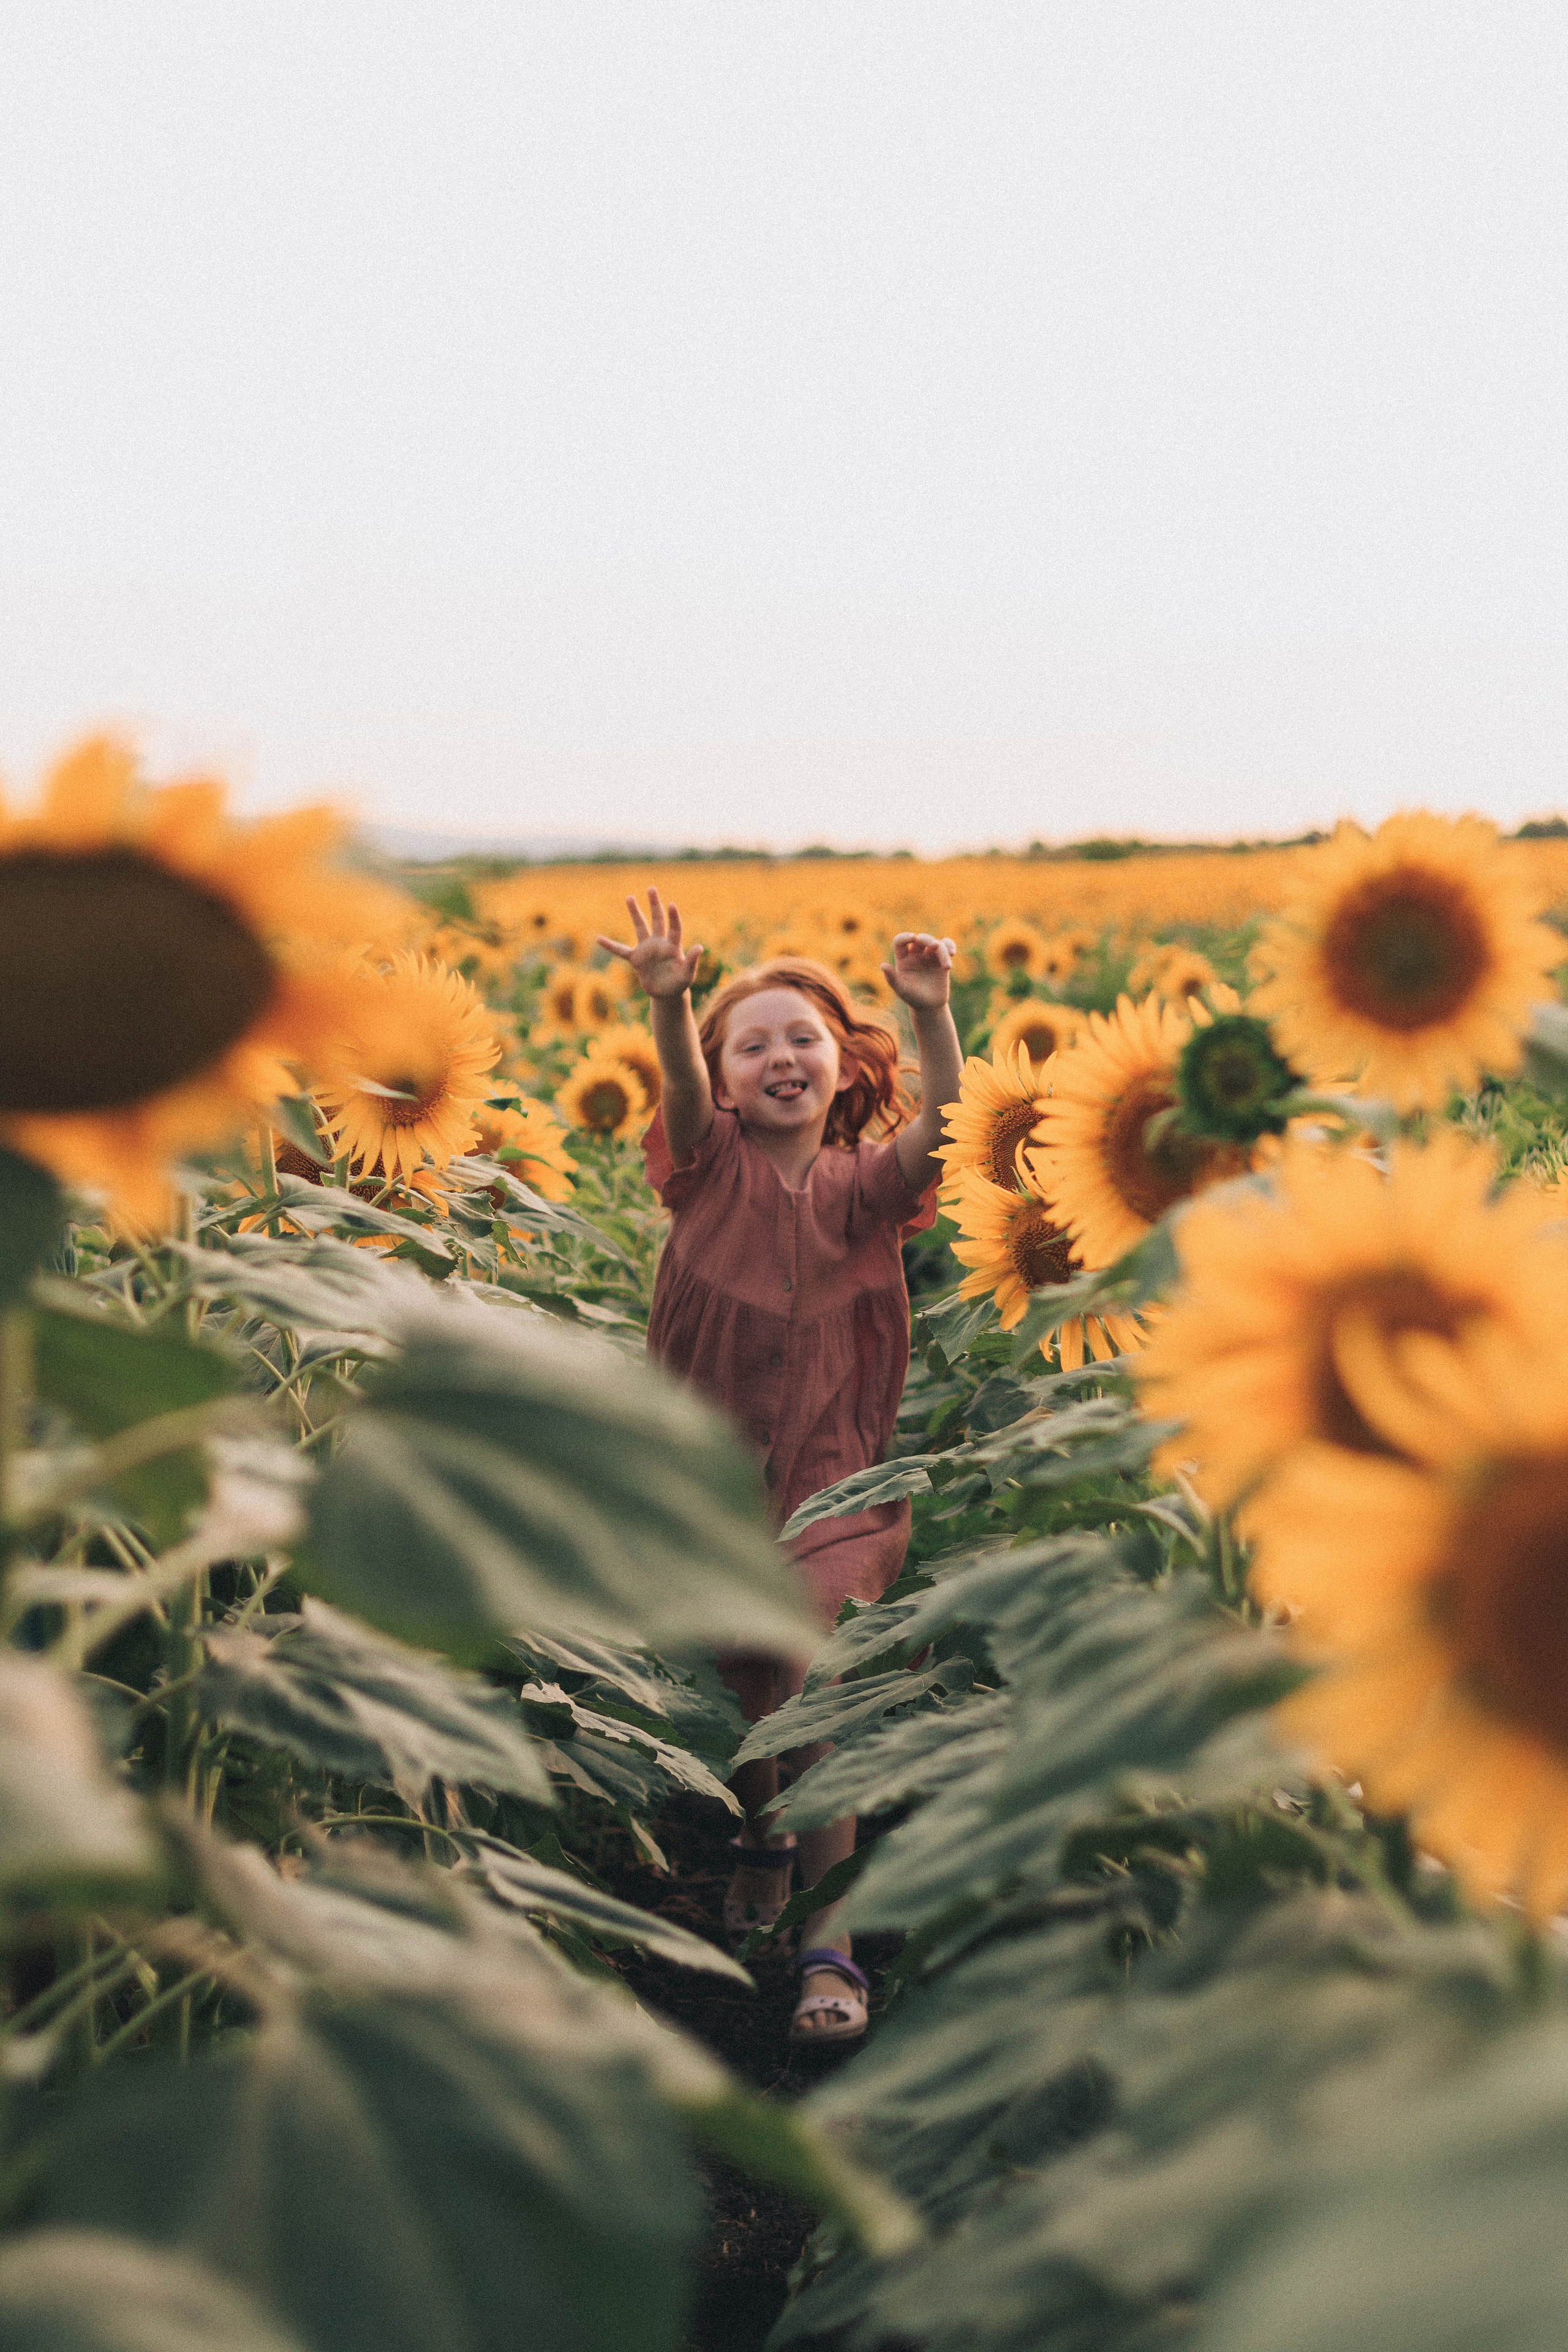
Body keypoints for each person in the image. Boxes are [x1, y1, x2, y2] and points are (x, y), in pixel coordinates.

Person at [597, 888, 963, 2043]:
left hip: (836, 1478)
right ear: (721, 1080)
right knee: (747, 1669)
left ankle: (829, 1940)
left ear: (842, 1065)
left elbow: (947, 1123)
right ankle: (760, 1839)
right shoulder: (707, 1167)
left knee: (812, 1673)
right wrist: (673, 1003)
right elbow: (678, 1086)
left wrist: (932, 1014)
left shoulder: (869, 1187)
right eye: (750, 1045)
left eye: (802, 1038)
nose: (780, 1058)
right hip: (714, 1476)